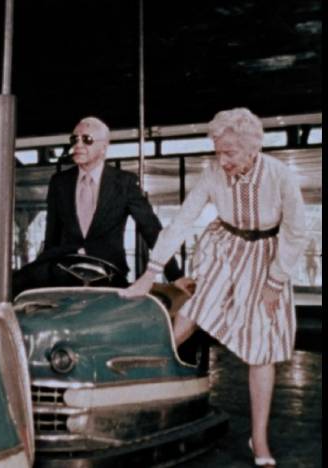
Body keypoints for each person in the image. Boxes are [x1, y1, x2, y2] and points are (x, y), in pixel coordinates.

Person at [121, 107, 306, 467]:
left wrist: (275, 282)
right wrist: (151, 272)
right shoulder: (212, 172)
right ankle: (139, 396)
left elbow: (296, 232)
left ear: (253, 149)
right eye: (218, 151)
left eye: (230, 153)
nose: (222, 160)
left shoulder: (280, 176)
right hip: (226, 247)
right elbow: (181, 222)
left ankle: (261, 439)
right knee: (192, 311)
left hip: (269, 256)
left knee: (261, 346)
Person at [14, 116, 181, 295]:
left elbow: (151, 230)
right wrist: (41, 270)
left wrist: (175, 276)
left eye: (87, 139)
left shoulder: (124, 183)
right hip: (64, 266)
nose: (78, 145)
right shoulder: (59, 182)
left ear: (103, 147)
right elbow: (52, 235)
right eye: (74, 139)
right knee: (11, 286)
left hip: (107, 270)